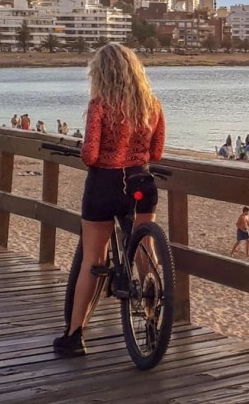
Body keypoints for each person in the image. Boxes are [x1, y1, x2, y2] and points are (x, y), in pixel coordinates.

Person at [52, 43, 166, 357]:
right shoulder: (151, 105)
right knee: (146, 253)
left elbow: (90, 155)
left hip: (105, 184)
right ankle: (154, 320)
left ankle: (75, 335)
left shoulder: (100, 105)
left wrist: (86, 151)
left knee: (94, 260)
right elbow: (155, 153)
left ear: (101, 73)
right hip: (140, 180)